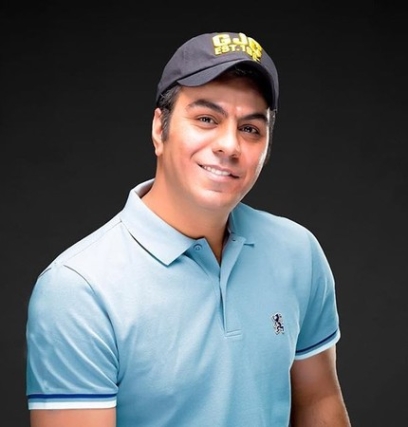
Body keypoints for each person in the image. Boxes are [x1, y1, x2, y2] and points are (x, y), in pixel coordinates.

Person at [26, 31, 352, 427]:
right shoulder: (78, 289)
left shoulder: (298, 251)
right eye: (206, 119)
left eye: (250, 128)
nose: (229, 145)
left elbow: (319, 400)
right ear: (159, 128)